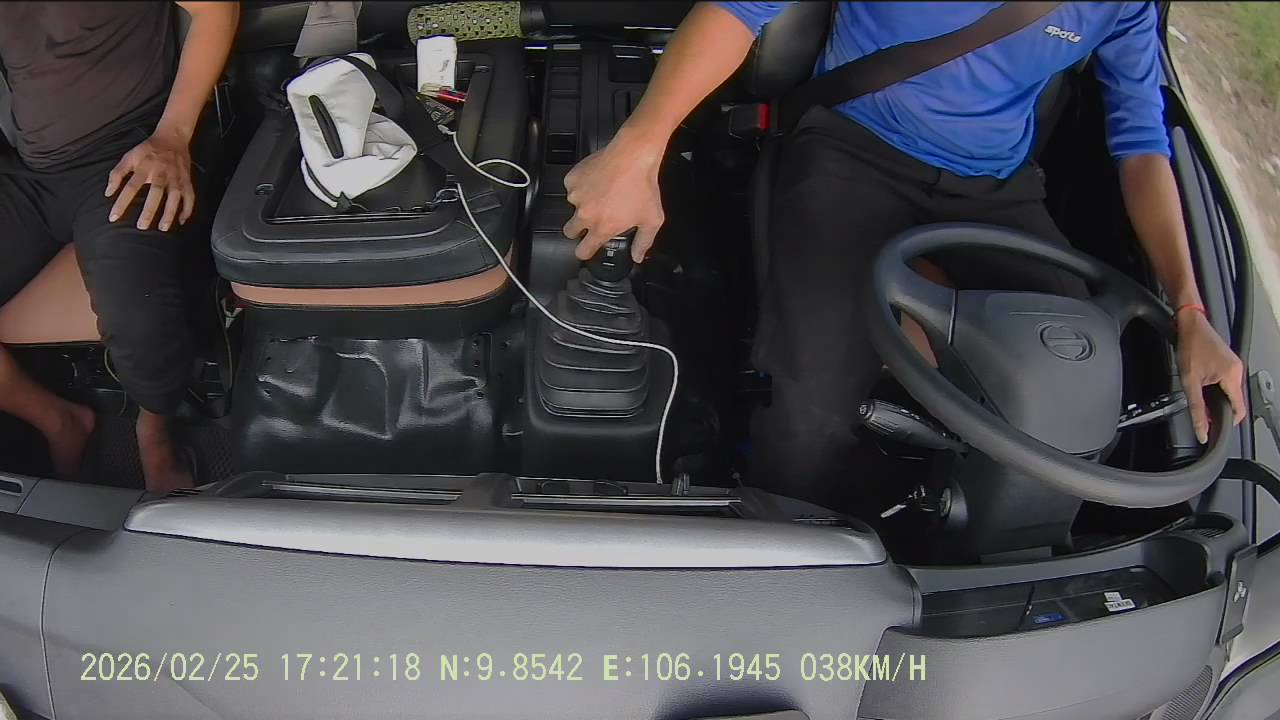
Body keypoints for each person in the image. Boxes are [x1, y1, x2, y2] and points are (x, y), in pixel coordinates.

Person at [561, 2, 1247, 508]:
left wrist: (1189, 309)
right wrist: (639, 149)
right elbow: (740, 9)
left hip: (997, 188)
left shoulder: (1123, 5)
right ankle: (784, 541)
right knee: (813, 409)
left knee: (1077, 392)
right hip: (853, 149)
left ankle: (990, 564)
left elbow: (1141, 141)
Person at [0, 2, 239, 491]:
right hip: (31, 172)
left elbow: (218, 10)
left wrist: (172, 136)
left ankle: (154, 431)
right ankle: (58, 420)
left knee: (137, 318)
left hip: (129, 151)